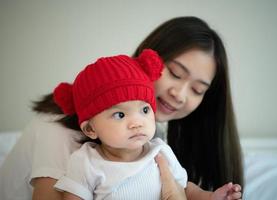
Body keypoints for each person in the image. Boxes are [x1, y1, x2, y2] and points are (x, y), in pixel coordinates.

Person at [0, 16, 243, 200]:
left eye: (198, 90)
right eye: (175, 73)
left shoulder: (148, 140)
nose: (179, 95)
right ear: (149, 63)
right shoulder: (62, 129)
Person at [51, 49, 241, 200]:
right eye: (119, 114)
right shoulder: (86, 162)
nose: (137, 123)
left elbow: (184, 189)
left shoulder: (160, 152)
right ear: (91, 129)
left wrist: (210, 197)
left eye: (144, 110)